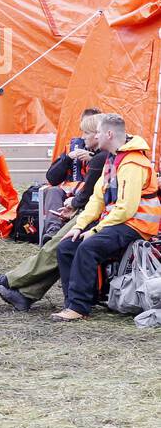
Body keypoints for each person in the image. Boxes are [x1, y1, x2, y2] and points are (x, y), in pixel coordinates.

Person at [0, 112, 109, 311]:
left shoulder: (102, 158)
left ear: (100, 134)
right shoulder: (80, 150)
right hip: (81, 206)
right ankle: (24, 295)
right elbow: (52, 177)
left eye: (86, 132)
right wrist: (67, 159)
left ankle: (12, 282)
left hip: (92, 213)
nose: (82, 137)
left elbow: (93, 196)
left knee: (57, 248)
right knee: (53, 199)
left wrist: (76, 205)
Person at [52, 113, 160, 322]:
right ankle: (77, 302)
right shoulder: (113, 159)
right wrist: (79, 225)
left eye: (97, 132)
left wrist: (93, 231)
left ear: (109, 134)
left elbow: (127, 209)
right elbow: (97, 198)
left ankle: (78, 307)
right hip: (120, 220)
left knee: (88, 246)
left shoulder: (133, 163)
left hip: (138, 224)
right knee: (66, 247)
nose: (90, 137)